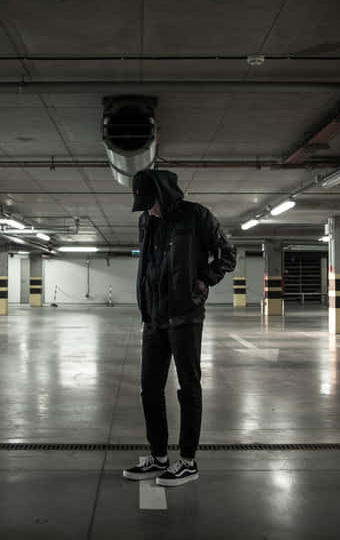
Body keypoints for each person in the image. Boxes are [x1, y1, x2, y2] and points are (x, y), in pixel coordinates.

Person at [122, 168, 236, 487]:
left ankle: (187, 461)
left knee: (189, 388)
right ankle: (159, 457)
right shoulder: (146, 221)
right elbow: (149, 265)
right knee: (150, 389)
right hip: (154, 319)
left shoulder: (196, 216)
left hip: (185, 317)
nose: (148, 209)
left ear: (165, 194)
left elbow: (228, 255)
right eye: (144, 204)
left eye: (151, 202)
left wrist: (202, 282)